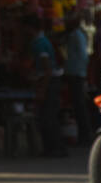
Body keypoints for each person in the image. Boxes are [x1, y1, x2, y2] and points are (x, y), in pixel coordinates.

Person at [22, 14, 64, 158]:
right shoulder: (41, 41)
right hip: (49, 82)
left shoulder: (39, 43)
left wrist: (42, 90)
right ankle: (54, 148)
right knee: (49, 117)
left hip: (49, 82)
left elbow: (47, 70)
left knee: (48, 118)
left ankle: (54, 149)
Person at [63, 12, 91, 144]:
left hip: (77, 74)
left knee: (80, 106)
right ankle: (83, 135)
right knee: (77, 105)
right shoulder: (73, 35)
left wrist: (81, 72)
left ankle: (84, 136)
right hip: (75, 73)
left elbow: (82, 56)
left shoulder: (77, 35)